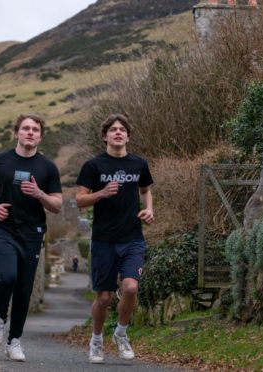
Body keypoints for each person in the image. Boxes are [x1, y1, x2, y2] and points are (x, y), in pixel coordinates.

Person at [0, 113, 63, 362]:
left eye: (35, 129)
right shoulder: (0, 161)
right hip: (4, 228)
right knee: (7, 275)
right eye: (25, 128)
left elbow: (57, 205)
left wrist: (39, 193)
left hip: (32, 233)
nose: (30, 132)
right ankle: (0, 317)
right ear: (17, 133)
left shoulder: (47, 167)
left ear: (40, 136)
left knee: (24, 289)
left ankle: (14, 341)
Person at [75, 113, 153, 364]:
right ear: (105, 136)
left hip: (132, 238)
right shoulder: (94, 166)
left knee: (130, 287)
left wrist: (149, 209)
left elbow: (146, 190)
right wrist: (102, 193)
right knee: (105, 298)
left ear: (128, 136)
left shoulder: (139, 164)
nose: (118, 132)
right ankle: (96, 341)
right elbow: (79, 200)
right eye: (113, 129)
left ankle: (121, 333)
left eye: (122, 129)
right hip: (103, 240)